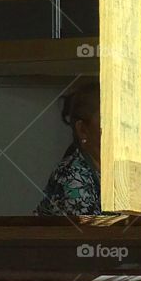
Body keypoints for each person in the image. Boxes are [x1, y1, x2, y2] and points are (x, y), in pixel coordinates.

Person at [37, 78, 101, 216]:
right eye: (107, 120)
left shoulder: (116, 171)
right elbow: (89, 232)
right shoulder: (72, 175)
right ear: (83, 130)